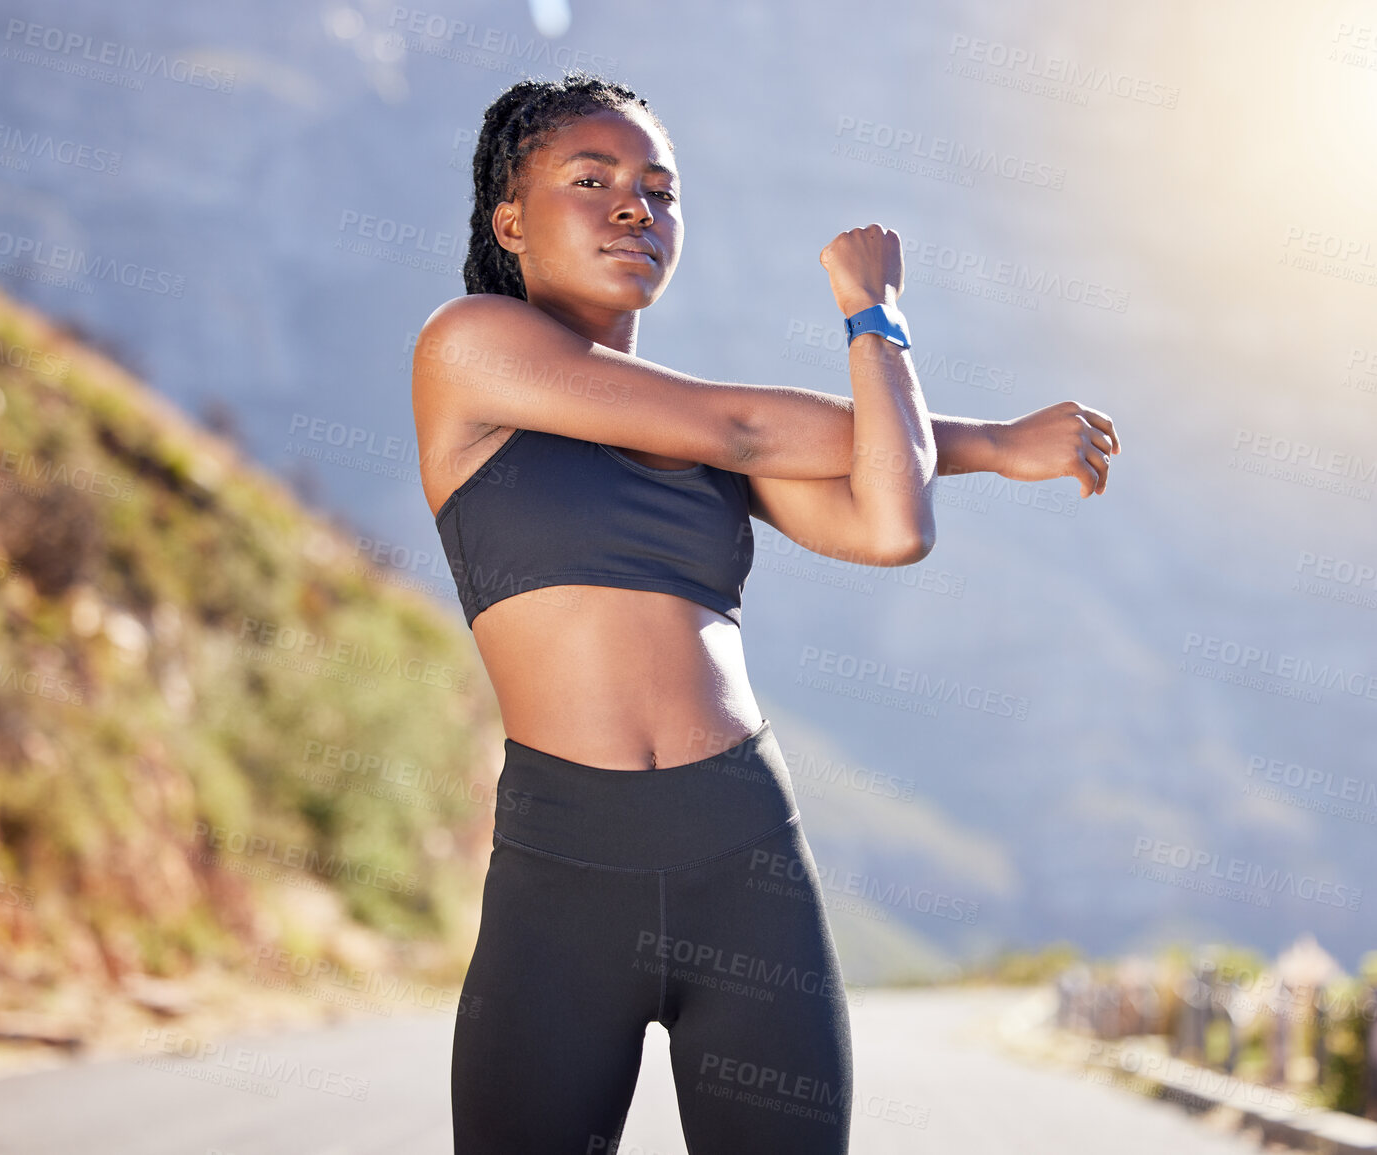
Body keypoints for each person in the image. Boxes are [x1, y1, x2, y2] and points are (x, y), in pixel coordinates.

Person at [411, 71, 1120, 1155]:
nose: (633, 207)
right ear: (510, 219)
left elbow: (893, 521)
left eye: (660, 188)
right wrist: (995, 443)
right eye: (590, 179)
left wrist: (875, 313)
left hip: (743, 855)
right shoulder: (467, 348)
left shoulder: (711, 445)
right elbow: (742, 426)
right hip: (562, 874)